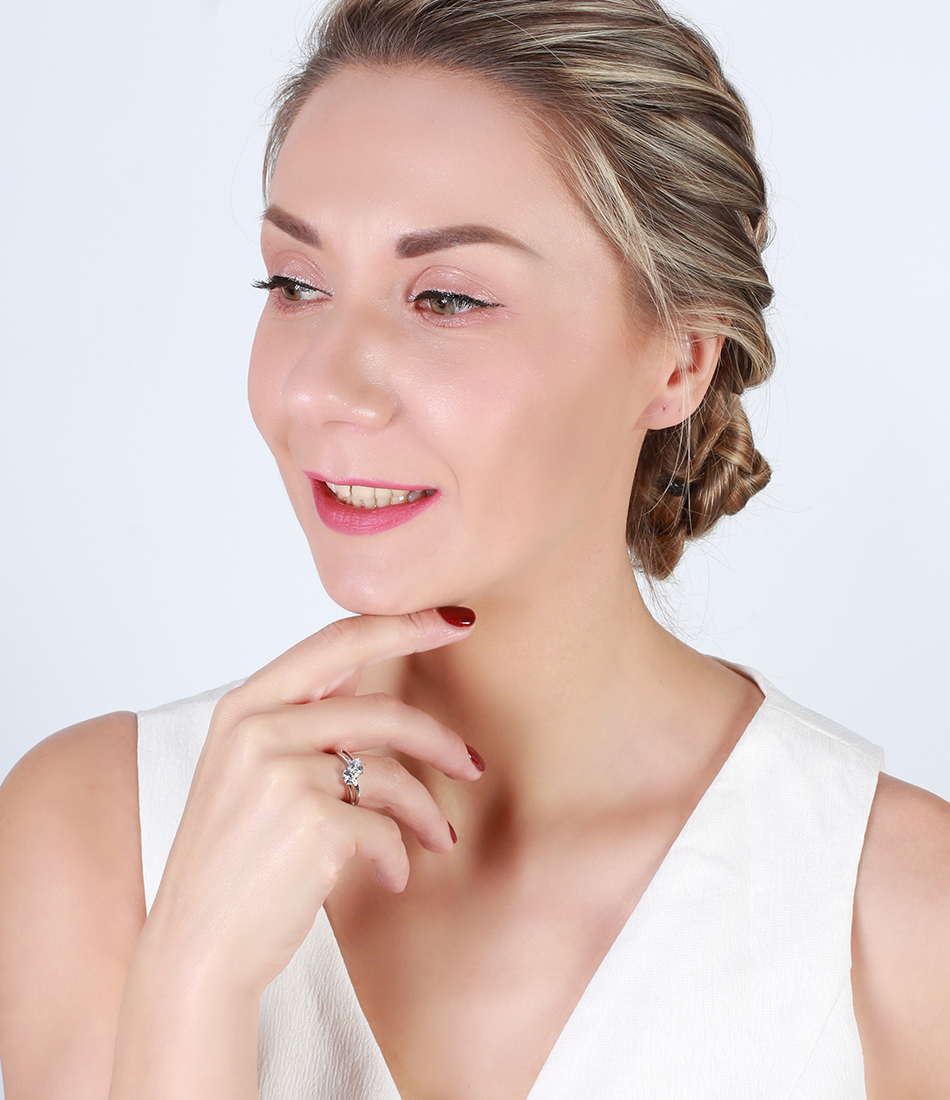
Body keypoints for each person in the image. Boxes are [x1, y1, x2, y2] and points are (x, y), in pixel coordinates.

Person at [1, 0, 949, 1096]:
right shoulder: (96, 834)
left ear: (678, 360)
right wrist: (192, 979)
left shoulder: (895, 911)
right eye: (295, 284)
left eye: (445, 298)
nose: (321, 388)